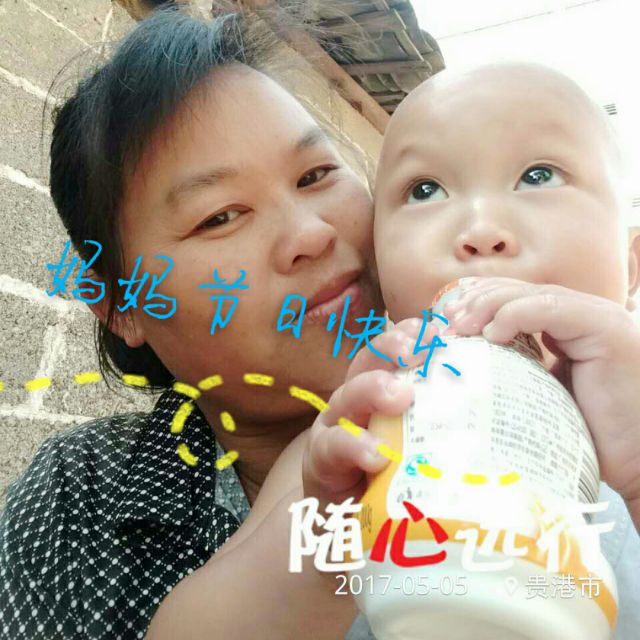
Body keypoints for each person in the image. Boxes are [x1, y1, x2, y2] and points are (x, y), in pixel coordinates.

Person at [0, 7, 420, 640]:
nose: (311, 234)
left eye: (315, 175)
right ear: (119, 304)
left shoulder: (528, 392)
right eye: (220, 216)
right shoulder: (82, 501)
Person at [365, 62, 639, 638]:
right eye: (424, 190)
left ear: (632, 265)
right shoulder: (363, 422)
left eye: (538, 176)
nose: (481, 230)